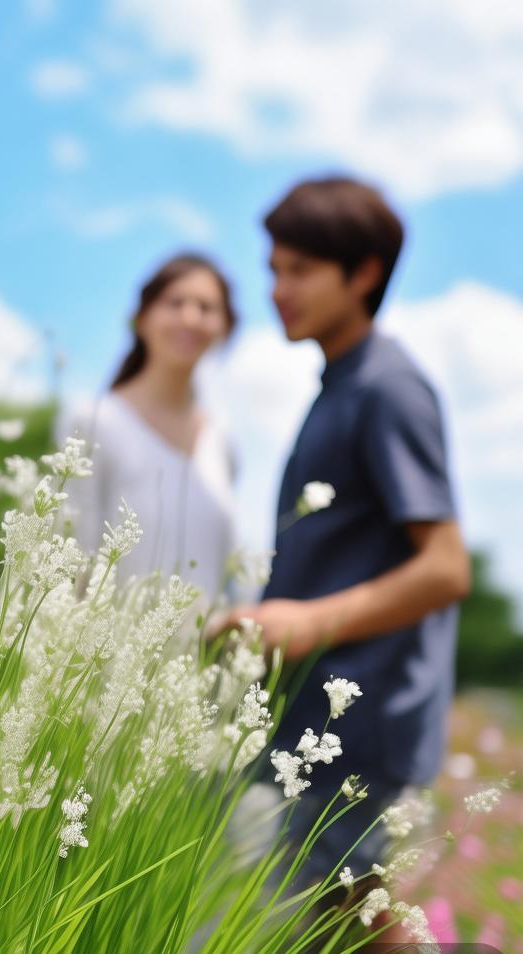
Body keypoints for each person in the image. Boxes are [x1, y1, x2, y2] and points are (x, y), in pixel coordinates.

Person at [219, 176, 471, 940]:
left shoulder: (387, 390)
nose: (277, 290)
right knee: (352, 925)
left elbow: (446, 566)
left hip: (362, 718)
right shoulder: (339, 387)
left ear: (362, 274)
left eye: (299, 271)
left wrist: (306, 620)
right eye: (272, 270)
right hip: (321, 715)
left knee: (333, 923)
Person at [56, 253, 239, 608]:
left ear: (225, 327)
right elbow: (71, 553)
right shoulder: (94, 420)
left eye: (206, 307)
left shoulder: (223, 439)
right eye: (174, 303)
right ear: (140, 319)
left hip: (197, 657)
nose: (190, 317)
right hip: (102, 654)